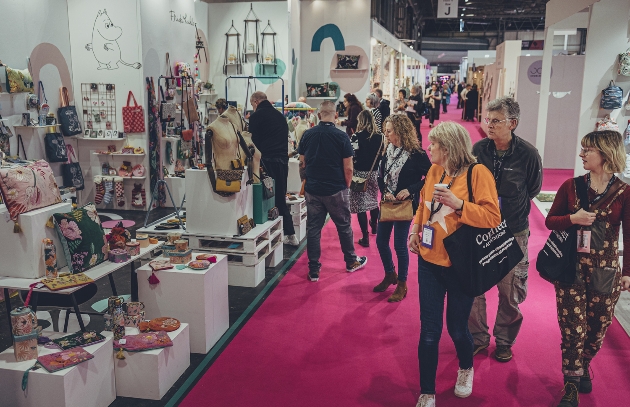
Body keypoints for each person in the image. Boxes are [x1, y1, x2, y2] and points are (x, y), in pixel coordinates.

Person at [408, 122, 501, 407]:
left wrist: (459, 204)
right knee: (429, 332)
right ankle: (427, 391)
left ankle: (466, 367)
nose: (429, 148)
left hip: (461, 265)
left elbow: (492, 217)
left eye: (433, 144)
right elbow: (424, 205)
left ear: (447, 148)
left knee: (457, 329)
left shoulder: (478, 173)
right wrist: (414, 230)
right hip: (429, 260)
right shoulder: (435, 170)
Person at [545, 130, 630, 407]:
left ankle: (583, 364)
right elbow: (550, 221)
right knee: (572, 330)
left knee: (597, 328)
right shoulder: (571, 186)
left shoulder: (624, 193)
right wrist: (573, 218)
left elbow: (629, 235)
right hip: (572, 268)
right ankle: (570, 385)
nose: (581, 154)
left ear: (605, 153)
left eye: (587, 150)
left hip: (606, 271)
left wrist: (627, 272)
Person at [468, 96, 542, 362]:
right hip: (480, 230)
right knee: (475, 287)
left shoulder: (528, 154)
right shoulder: (478, 150)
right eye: (488, 119)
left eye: (496, 121)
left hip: (514, 231)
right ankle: (477, 337)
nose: (490, 125)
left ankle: (504, 341)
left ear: (512, 123)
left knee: (510, 291)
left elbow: (532, 188)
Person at [298, 101, 368, 281]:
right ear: (336, 115)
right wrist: (345, 185)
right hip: (336, 188)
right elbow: (349, 168)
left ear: (319, 115)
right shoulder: (341, 136)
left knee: (313, 229)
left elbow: (301, 163)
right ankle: (351, 261)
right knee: (344, 226)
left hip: (313, 189)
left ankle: (314, 269)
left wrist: (305, 182)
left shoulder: (307, 135)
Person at [375, 114, 431, 302]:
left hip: (406, 205)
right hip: (388, 202)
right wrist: (385, 191)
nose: (386, 134)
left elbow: (430, 178)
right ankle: (390, 273)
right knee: (381, 241)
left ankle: (402, 284)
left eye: (389, 131)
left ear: (399, 131)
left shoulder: (416, 154)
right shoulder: (387, 149)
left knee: (400, 245)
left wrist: (410, 189)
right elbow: (380, 176)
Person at [248, 91, 298, 246]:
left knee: (264, 197)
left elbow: (252, 141)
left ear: (255, 102)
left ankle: (268, 232)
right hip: (282, 161)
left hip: (266, 161)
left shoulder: (256, 116)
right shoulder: (279, 116)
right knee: (280, 195)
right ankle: (289, 233)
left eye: (252, 105)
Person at [350, 110, 384, 247]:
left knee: (360, 206)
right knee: (373, 200)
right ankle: (374, 226)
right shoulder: (381, 137)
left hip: (359, 174)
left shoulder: (356, 136)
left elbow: (353, 154)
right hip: (375, 173)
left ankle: (365, 236)